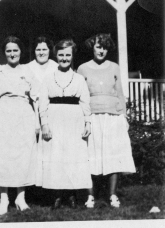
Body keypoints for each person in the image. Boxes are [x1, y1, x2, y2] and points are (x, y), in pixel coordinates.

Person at [0, 36, 40, 215]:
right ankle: (4, 199)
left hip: (23, 115)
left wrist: (37, 122)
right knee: (2, 156)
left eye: (15, 50)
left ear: (21, 51)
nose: (12, 54)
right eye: (9, 51)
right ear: (5, 53)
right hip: (1, 115)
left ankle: (20, 198)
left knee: (22, 156)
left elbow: (36, 98)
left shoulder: (28, 71)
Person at [77, 33, 136, 208]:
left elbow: (119, 93)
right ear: (92, 48)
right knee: (90, 155)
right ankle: (90, 196)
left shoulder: (115, 67)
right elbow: (81, 95)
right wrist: (83, 118)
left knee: (113, 155)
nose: (101, 50)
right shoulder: (82, 68)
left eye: (104, 47)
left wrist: (123, 116)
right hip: (92, 116)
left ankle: (112, 195)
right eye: (98, 47)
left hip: (113, 116)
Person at [39, 39, 92, 209]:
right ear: (56, 55)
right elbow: (42, 104)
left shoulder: (79, 79)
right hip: (54, 119)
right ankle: (57, 196)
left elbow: (85, 102)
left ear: (72, 56)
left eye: (67, 55)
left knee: (72, 156)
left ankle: (71, 195)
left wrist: (87, 123)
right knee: (55, 156)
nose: (64, 58)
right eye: (61, 55)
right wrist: (45, 124)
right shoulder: (48, 78)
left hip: (74, 120)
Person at [27, 36, 58, 187]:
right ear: (34, 51)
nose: (41, 52)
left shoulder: (56, 66)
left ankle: (51, 187)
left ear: (50, 50)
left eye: (44, 49)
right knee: (33, 149)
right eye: (38, 49)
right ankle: (34, 188)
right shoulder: (28, 67)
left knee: (50, 148)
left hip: (51, 111)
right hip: (31, 111)